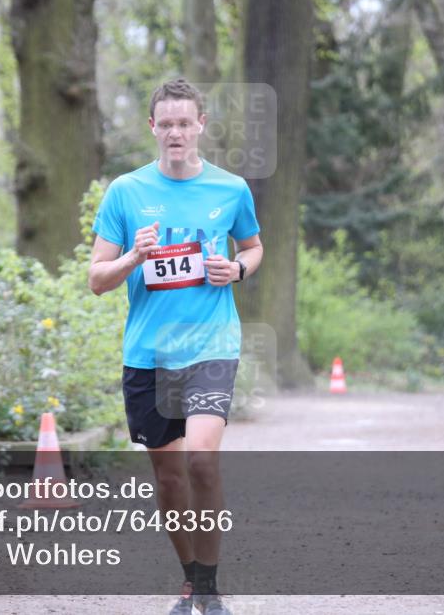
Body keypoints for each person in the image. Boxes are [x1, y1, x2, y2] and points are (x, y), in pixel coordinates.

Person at [89, 78, 263, 615]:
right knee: (167, 477)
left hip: (211, 344)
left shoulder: (230, 189)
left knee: (202, 462)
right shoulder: (126, 193)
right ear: (152, 128)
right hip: (149, 355)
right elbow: (97, 278)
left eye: (185, 123)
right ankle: (190, 578)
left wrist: (234, 269)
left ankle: (208, 591)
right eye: (166, 124)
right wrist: (132, 259)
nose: (175, 133)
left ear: (201, 125)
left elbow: (254, 248)